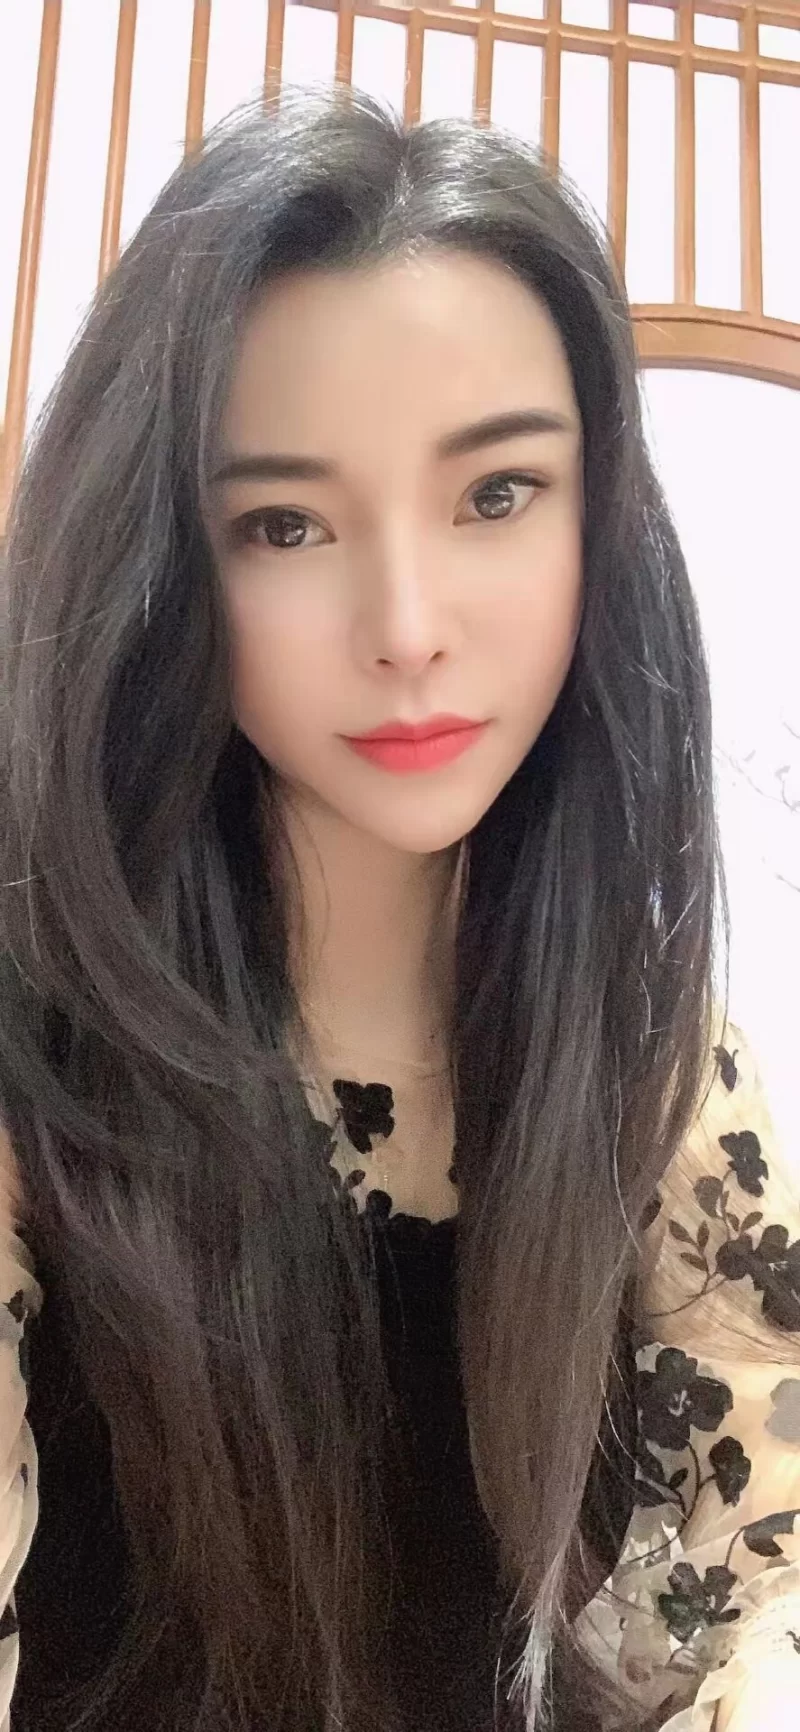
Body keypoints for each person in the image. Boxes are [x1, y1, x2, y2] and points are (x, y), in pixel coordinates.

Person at [0, 81, 797, 1732]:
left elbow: (755, 1558)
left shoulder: (659, 1059)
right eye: (283, 522)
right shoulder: (31, 1052)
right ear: (162, 560)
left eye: (497, 493)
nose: (409, 624)